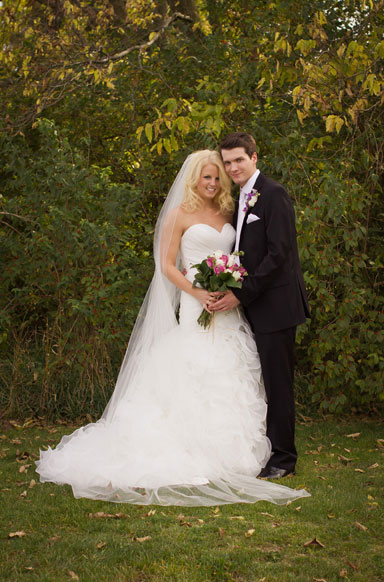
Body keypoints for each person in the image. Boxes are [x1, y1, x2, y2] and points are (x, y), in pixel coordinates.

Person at [36, 150, 309, 506]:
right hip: (196, 302)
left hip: (229, 305)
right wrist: (198, 292)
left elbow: (248, 255)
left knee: (235, 369)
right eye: (206, 177)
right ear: (194, 179)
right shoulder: (179, 215)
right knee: (194, 369)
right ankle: (190, 446)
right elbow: (167, 266)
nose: (212, 183)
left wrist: (231, 288)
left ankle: (249, 450)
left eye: (217, 177)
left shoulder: (231, 212)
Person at [208, 133, 310, 480]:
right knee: (260, 382)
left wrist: (241, 293)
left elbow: (279, 255)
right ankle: (265, 448)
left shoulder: (273, 194)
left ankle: (284, 459)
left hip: (276, 305)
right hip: (253, 305)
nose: (233, 166)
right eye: (228, 161)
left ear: (254, 156)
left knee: (278, 383)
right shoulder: (241, 197)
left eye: (239, 159)